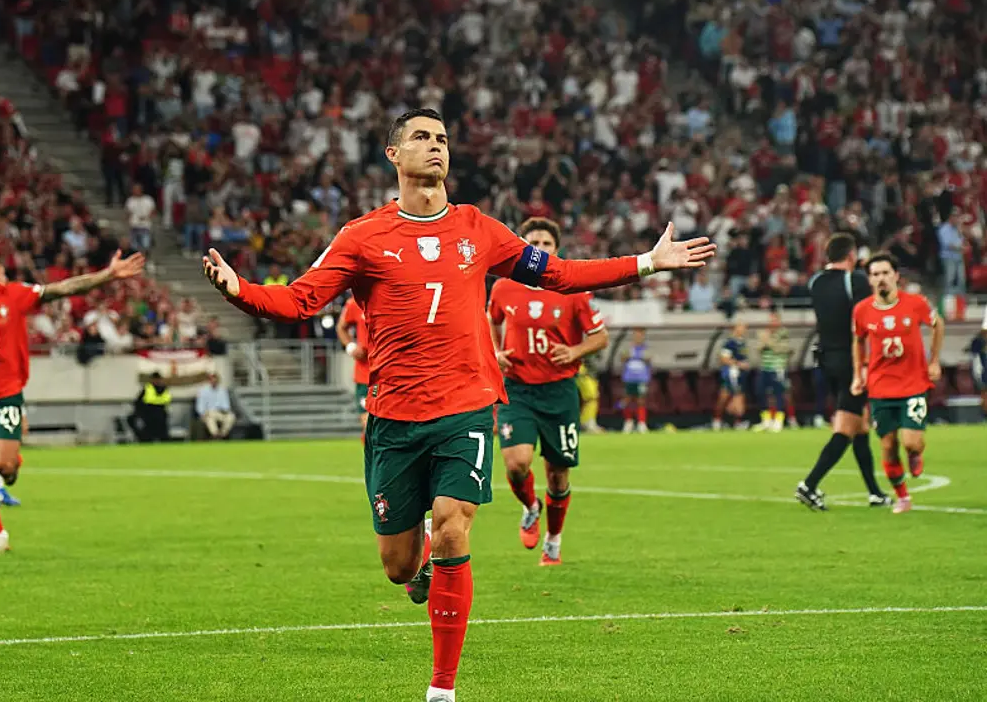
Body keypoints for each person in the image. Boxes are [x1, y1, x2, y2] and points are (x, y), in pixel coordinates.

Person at [200, 108, 713, 702]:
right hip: (392, 416)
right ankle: (418, 572)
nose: (435, 147)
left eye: (442, 139)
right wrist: (241, 291)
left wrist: (647, 262)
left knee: (452, 528)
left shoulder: (479, 229)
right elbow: (298, 300)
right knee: (397, 565)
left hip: (465, 407)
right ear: (394, 155)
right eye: (421, 138)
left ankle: (441, 690)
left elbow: (562, 273)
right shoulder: (362, 236)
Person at [0, 242, 145, 553]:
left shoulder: (14, 295)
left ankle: (13, 461)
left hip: (5, 396)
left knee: (2, 466)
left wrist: (108, 274)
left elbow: (64, 288)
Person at [487, 217, 609, 565]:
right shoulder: (504, 287)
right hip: (518, 389)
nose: (539, 249)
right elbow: (490, 320)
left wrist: (573, 352)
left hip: (559, 392)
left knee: (557, 475)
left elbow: (600, 337)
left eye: (546, 245)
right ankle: (530, 507)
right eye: (533, 243)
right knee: (516, 464)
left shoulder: (573, 290)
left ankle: (553, 540)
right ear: (523, 248)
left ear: (557, 250)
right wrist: (495, 352)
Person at [796, 233, 888, 511]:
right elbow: (869, 319)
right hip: (852, 361)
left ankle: (874, 493)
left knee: (860, 426)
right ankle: (809, 485)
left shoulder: (815, 282)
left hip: (826, 359)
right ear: (851, 256)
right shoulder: (855, 280)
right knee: (847, 427)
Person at [851, 254, 944, 514]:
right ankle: (902, 496)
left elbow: (938, 325)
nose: (881, 278)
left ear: (895, 276)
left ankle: (915, 453)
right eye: (875, 274)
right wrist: (858, 375)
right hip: (880, 386)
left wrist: (934, 361)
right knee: (888, 446)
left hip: (914, 383)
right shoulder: (862, 310)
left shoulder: (916, 303)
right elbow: (857, 341)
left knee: (911, 442)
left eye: (885, 273)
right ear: (870, 280)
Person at [755, 311, 797, 432]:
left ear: (779, 321)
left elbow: (783, 349)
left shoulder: (783, 333)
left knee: (779, 393)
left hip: (778, 368)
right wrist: (765, 343)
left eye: (774, 320)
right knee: (760, 392)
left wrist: (768, 342)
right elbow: (758, 348)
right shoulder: (764, 332)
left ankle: (778, 420)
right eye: (771, 320)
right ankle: (766, 420)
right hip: (765, 367)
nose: (772, 322)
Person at [337, 294, 371, 432]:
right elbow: (341, 327)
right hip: (365, 375)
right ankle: (370, 454)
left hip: (391, 374)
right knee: (368, 424)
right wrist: (351, 347)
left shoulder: (394, 299)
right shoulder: (355, 303)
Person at [713, 322, 750, 430]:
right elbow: (724, 359)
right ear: (735, 329)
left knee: (728, 397)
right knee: (736, 397)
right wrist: (739, 364)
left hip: (740, 374)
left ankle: (721, 421)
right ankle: (735, 422)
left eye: (744, 327)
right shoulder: (729, 343)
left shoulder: (742, 343)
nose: (743, 330)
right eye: (741, 327)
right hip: (731, 373)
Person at [620, 328, 651, 433]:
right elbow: (623, 358)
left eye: (640, 335)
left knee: (641, 400)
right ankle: (628, 422)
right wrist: (629, 355)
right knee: (627, 400)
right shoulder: (629, 348)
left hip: (641, 378)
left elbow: (649, 358)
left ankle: (641, 423)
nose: (638, 337)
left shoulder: (646, 349)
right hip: (629, 377)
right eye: (636, 335)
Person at [131, 372, 172, 442]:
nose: (157, 381)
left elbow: (167, 400)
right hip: (149, 415)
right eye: (155, 379)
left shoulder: (164, 389)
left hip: (160, 415)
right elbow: (138, 402)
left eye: (158, 379)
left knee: (163, 436)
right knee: (147, 436)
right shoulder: (147, 389)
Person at [195, 372, 236, 440]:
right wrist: (202, 413)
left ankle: (222, 434)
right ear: (209, 381)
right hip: (207, 413)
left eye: (215, 380)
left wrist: (225, 410)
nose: (214, 381)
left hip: (219, 413)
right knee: (210, 417)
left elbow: (226, 405)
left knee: (231, 417)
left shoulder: (222, 390)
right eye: (212, 380)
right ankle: (215, 434)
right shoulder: (203, 391)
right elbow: (200, 406)